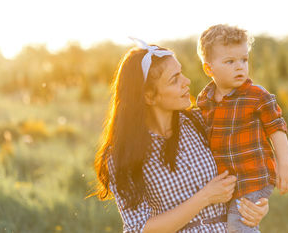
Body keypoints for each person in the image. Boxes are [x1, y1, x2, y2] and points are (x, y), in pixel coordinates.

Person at [93, 38, 270, 232]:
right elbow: (139, 229)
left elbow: (245, 162)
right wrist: (205, 197)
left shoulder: (201, 122)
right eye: (174, 79)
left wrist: (258, 204)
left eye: (181, 73)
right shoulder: (124, 155)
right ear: (149, 96)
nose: (187, 82)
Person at [196, 24, 288, 233]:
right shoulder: (205, 101)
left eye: (244, 60)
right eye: (230, 61)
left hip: (253, 178)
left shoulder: (257, 96)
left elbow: (277, 129)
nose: (240, 66)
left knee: (239, 226)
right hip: (227, 183)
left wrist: (284, 166)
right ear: (208, 68)